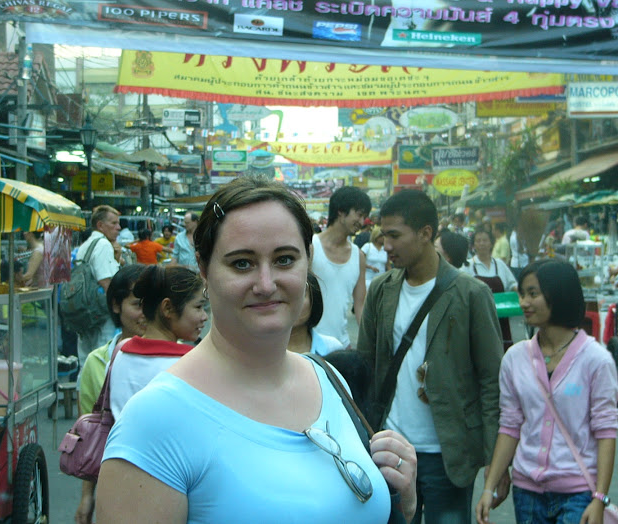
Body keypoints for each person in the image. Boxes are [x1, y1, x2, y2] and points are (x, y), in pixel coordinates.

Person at [96, 175, 418, 523]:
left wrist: (405, 500)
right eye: (242, 264)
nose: (266, 285)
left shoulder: (329, 379)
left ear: (308, 260)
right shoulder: (155, 421)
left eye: (284, 260)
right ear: (204, 268)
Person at [357, 188, 506, 524]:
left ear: (425, 233)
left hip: (447, 453)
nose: (387, 245)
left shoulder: (471, 294)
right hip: (390, 446)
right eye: (383, 235)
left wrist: (496, 460)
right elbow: (365, 364)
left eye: (395, 235)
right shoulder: (381, 290)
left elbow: (491, 379)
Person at [476, 259, 618, 524]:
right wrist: (489, 487)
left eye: (533, 294)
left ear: (559, 294)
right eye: (522, 294)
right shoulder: (514, 358)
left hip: (578, 495)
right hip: (527, 493)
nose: (524, 302)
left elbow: (606, 432)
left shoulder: (596, 360)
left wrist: (599, 498)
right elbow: (510, 426)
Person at [75, 263, 147, 524]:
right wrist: (87, 496)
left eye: (152, 304)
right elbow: (91, 434)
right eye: (138, 304)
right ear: (116, 306)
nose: (145, 313)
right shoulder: (97, 362)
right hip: (115, 483)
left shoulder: (178, 358)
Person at [109, 265, 206, 417]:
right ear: (167, 308)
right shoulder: (190, 364)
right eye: (198, 307)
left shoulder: (119, 354)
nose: (204, 316)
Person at [311, 186, 371, 348]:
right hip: (311, 345)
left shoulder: (358, 256)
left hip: (341, 345)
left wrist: (369, 344)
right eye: (359, 214)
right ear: (341, 211)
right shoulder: (311, 247)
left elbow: (360, 305)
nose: (361, 221)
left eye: (364, 216)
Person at [73, 205, 122, 369]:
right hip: (100, 313)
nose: (118, 227)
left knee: (85, 361)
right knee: (101, 360)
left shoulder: (86, 244)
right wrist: (118, 310)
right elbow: (106, 281)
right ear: (100, 225)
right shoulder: (102, 244)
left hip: (84, 312)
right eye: (113, 223)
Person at [463, 227, 517, 351]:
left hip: (502, 318)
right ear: (473, 245)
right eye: (478, 241)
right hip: (479, 318)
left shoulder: (500, 264)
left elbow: (512, 284)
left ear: (491, 243)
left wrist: (518, 291)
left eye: (485, 240)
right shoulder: (468, 266)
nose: (482, 243)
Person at [287, 272, 344, 356]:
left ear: (314, 300)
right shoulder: (262, 352)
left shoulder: (332, 348)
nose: (293, 303)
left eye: (300, 295)